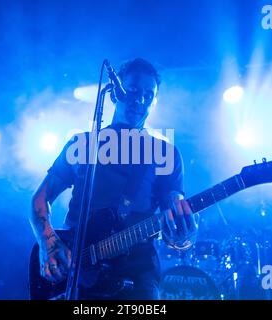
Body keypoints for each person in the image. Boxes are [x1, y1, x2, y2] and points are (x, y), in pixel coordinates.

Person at [30, 58, 198, 300]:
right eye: (132, 91)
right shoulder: (83, 144)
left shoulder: (166, 153)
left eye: (148, 95)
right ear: (113, 94)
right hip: (76, 272)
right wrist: (48, 243)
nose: (140, 100)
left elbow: (177, 218)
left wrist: (183, 235)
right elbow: (40, 199)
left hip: (137, 274)